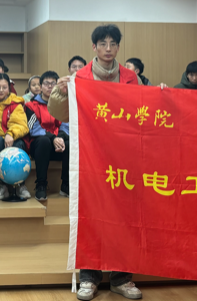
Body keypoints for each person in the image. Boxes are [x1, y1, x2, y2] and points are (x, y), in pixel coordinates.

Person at [49, 24, 160, 301]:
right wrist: (61, 92)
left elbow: (142, 111)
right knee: (92, 214)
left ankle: (122, 277)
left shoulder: (131, 78)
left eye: (113, 43)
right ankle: (89, 277)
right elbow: (61, 114)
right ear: (94, 47)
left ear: (118, 47)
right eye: (103, 44)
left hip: (125, 157)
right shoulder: (81, 77)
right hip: (91, 155)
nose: (108, 49)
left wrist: (160, 95)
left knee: (125, 216)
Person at [0, 73, 30, 200]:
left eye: (4, 87)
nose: (1, 90)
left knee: (19, 144)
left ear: (9, 89)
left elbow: (21, 125)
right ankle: (1, 185)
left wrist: (10, 133)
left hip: (13, 137)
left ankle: (20, 184)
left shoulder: (15, 104)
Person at [25, 71, 69, 201]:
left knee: (70, 144)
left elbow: (66, 125)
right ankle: (41, 184)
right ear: (40, 86)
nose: (49, 86)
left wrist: (60, 138)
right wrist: (53, 138)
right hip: (40, 147)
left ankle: (66, 185)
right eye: (46, 83)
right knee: (44, 141)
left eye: (53, 83)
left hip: (58, 145)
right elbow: (34, 129)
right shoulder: (31, 105)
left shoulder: (63, 105)